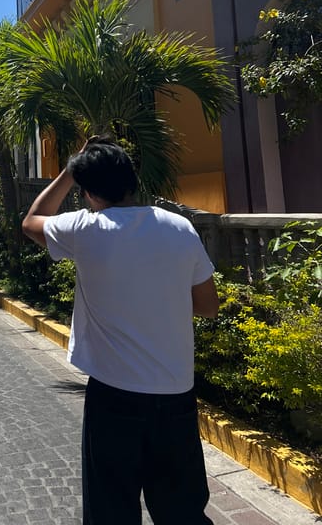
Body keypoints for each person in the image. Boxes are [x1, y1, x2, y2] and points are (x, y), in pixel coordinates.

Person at [22, 136, 219, 525]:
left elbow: (30, 222)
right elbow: (208, 306)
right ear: (133, 180)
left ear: (88, 191)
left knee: (112, 510)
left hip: (114, 399)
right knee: (182, 513)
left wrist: (68, 169)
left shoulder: (86, 228)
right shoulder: (180, 227)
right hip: (176, 396)